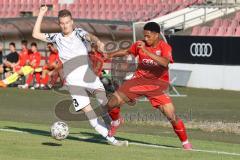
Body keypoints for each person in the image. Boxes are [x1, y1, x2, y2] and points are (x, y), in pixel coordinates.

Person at [31, 6, 127, 146]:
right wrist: (41, 13)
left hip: (89, 77)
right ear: (59, 24)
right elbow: (36, 34)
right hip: (73, 82)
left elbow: (90, 37)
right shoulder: (56, 38)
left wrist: (98, 42)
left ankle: (112, 125)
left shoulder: (79, 33)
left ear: (72, 22)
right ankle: (112, 140)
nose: (65, 25)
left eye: (67, 22)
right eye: (62, 23)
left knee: (105, 104)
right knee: (90, 114)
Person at [105, 22, 192, 150]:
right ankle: (116, 121)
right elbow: (127, 52)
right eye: (144, 36)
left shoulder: (165, 47)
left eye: (148, 36)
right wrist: (111, 55)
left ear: (156, 35)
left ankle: (185, 143)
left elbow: (165, 63)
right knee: (111, 103)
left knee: (171, 115)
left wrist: (146, 51)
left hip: (157, 85)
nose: (145, 38)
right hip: (138, 82)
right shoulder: (140, 44)